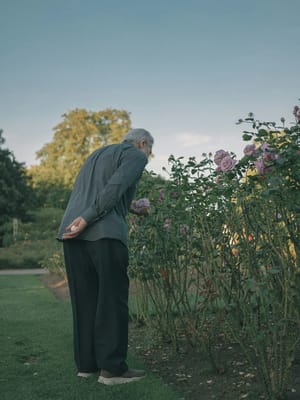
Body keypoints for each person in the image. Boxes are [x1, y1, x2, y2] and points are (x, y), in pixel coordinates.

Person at [57, 128, 153, 385]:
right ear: (142, 143)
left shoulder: (97, 155)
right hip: (104, 234)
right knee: (112, 301)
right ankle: (113, 370)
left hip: (71, 233)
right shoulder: (135, 154)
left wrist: (131, 207)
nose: (148, 157)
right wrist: (88, 218)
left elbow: (94, 193)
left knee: (85, 300)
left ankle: (87, 366)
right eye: (149, 151)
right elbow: (116, 185)